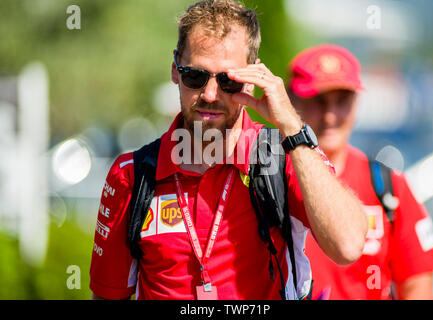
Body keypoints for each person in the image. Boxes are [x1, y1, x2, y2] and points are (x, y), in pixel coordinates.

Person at [89, 1, 367, 300]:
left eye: (228, 80)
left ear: (252, 79)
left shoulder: (282, 158)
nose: (210, 94)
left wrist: (291, 126)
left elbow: (348, 246)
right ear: (175, 70)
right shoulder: (132, 174)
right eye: (195, 76)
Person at [287, 44, 433, 300]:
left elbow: (418, 287)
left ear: (357, 102)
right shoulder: (266, 178)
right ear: (291, 101)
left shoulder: (386, 185)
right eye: (318, 100)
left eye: (342, 101)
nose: (330, 116)